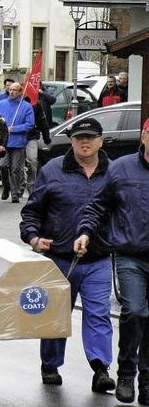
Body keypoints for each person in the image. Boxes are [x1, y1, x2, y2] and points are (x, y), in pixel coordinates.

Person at [20, 118, 115, 393]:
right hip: (59, 258)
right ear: (71, 141)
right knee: (55, 316)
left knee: (98, 314)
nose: (84, 142)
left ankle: (101, 368)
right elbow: (31, 212)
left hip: (98, 258)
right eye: (78, 137)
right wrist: (33, 238)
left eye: (90, 137)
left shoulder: (114, 173)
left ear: (101, 141)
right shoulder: (52, 170)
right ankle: (50, 364)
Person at [74, 118, 149, 404]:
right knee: (135, 310)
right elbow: (97, 207)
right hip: (130, 254)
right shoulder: (122, 168)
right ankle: (127, 372)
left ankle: (147, 379)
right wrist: (85, 232)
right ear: (144, 136)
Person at [0, 82, 34, 203]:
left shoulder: (26, 106)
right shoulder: (1, 104)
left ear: (20, 92)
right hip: (4, 142)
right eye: (10, 89)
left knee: (16, 169)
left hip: (18, 142)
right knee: (2, 166)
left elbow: (30, 124)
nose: (11, 92)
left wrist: (15, 129)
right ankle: (7, 186)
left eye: (14, 90)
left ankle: (15, 192)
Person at [22, 96, 51, 196]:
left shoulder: (35, 104)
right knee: (14, 165)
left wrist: (47, 138)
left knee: (32, 161)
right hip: (16, 137)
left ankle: (31, 184)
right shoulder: (13, 104)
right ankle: (19, 185)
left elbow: (42, 121)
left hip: (31, 137)